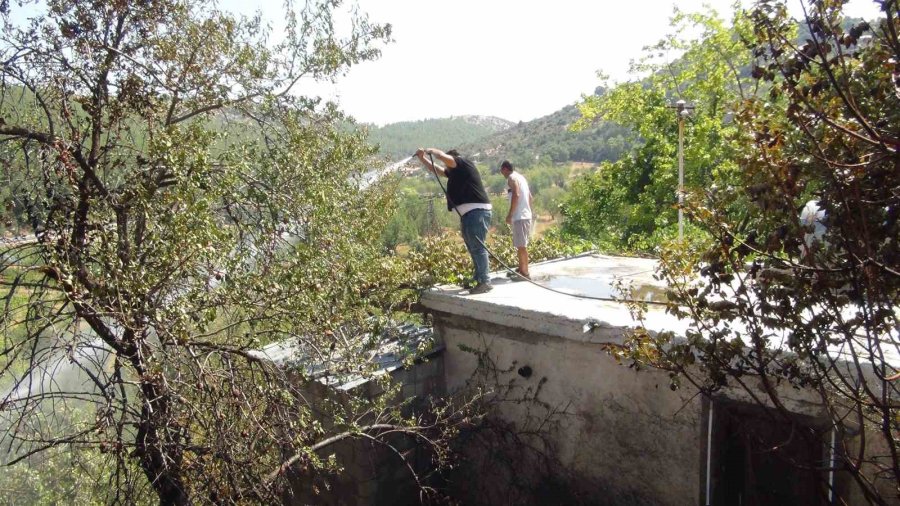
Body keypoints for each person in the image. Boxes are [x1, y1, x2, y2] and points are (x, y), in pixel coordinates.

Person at [416, 148, 494, 294]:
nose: (446, 167)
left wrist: (431, 150)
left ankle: (484, 281)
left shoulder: (462, 163)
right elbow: (436, 169)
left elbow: (443, 158)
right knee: (473, 247)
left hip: (476, 212)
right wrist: (422, 159)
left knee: (477, 247)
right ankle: (478, 278)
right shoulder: (456, 172)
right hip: (470, 214)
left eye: (448, 163)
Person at [500, 160, 533, 280]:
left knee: (521, 245)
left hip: (520, 217)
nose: (501, 173)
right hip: (524, 215)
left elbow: (516, 194)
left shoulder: (512, 178)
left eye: (501, 170)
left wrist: (510, 214)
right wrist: (529, 211)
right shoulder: (521, 178)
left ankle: (525, 273)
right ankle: (521, 268)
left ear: (504, 169)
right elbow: (530, 197)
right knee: (520, 244)